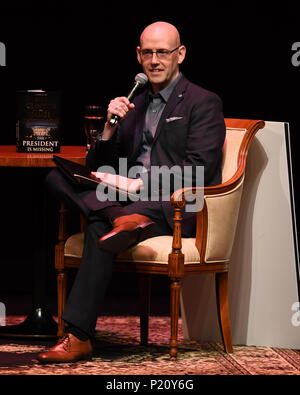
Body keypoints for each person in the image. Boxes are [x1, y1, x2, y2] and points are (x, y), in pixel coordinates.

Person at [37, 21, 226, 363]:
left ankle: (78, 337)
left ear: (180, 54)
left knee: (97, 227)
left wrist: (140, 183)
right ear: (139, 56)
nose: (155, 60)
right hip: (125, 200)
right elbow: (99, 163)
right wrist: (109, 128)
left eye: (163, 52)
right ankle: (125, 221)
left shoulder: (203, 102)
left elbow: (201, 169)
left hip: (173, 203)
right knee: (57, 177)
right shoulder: (134, 102)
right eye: (148, 53)